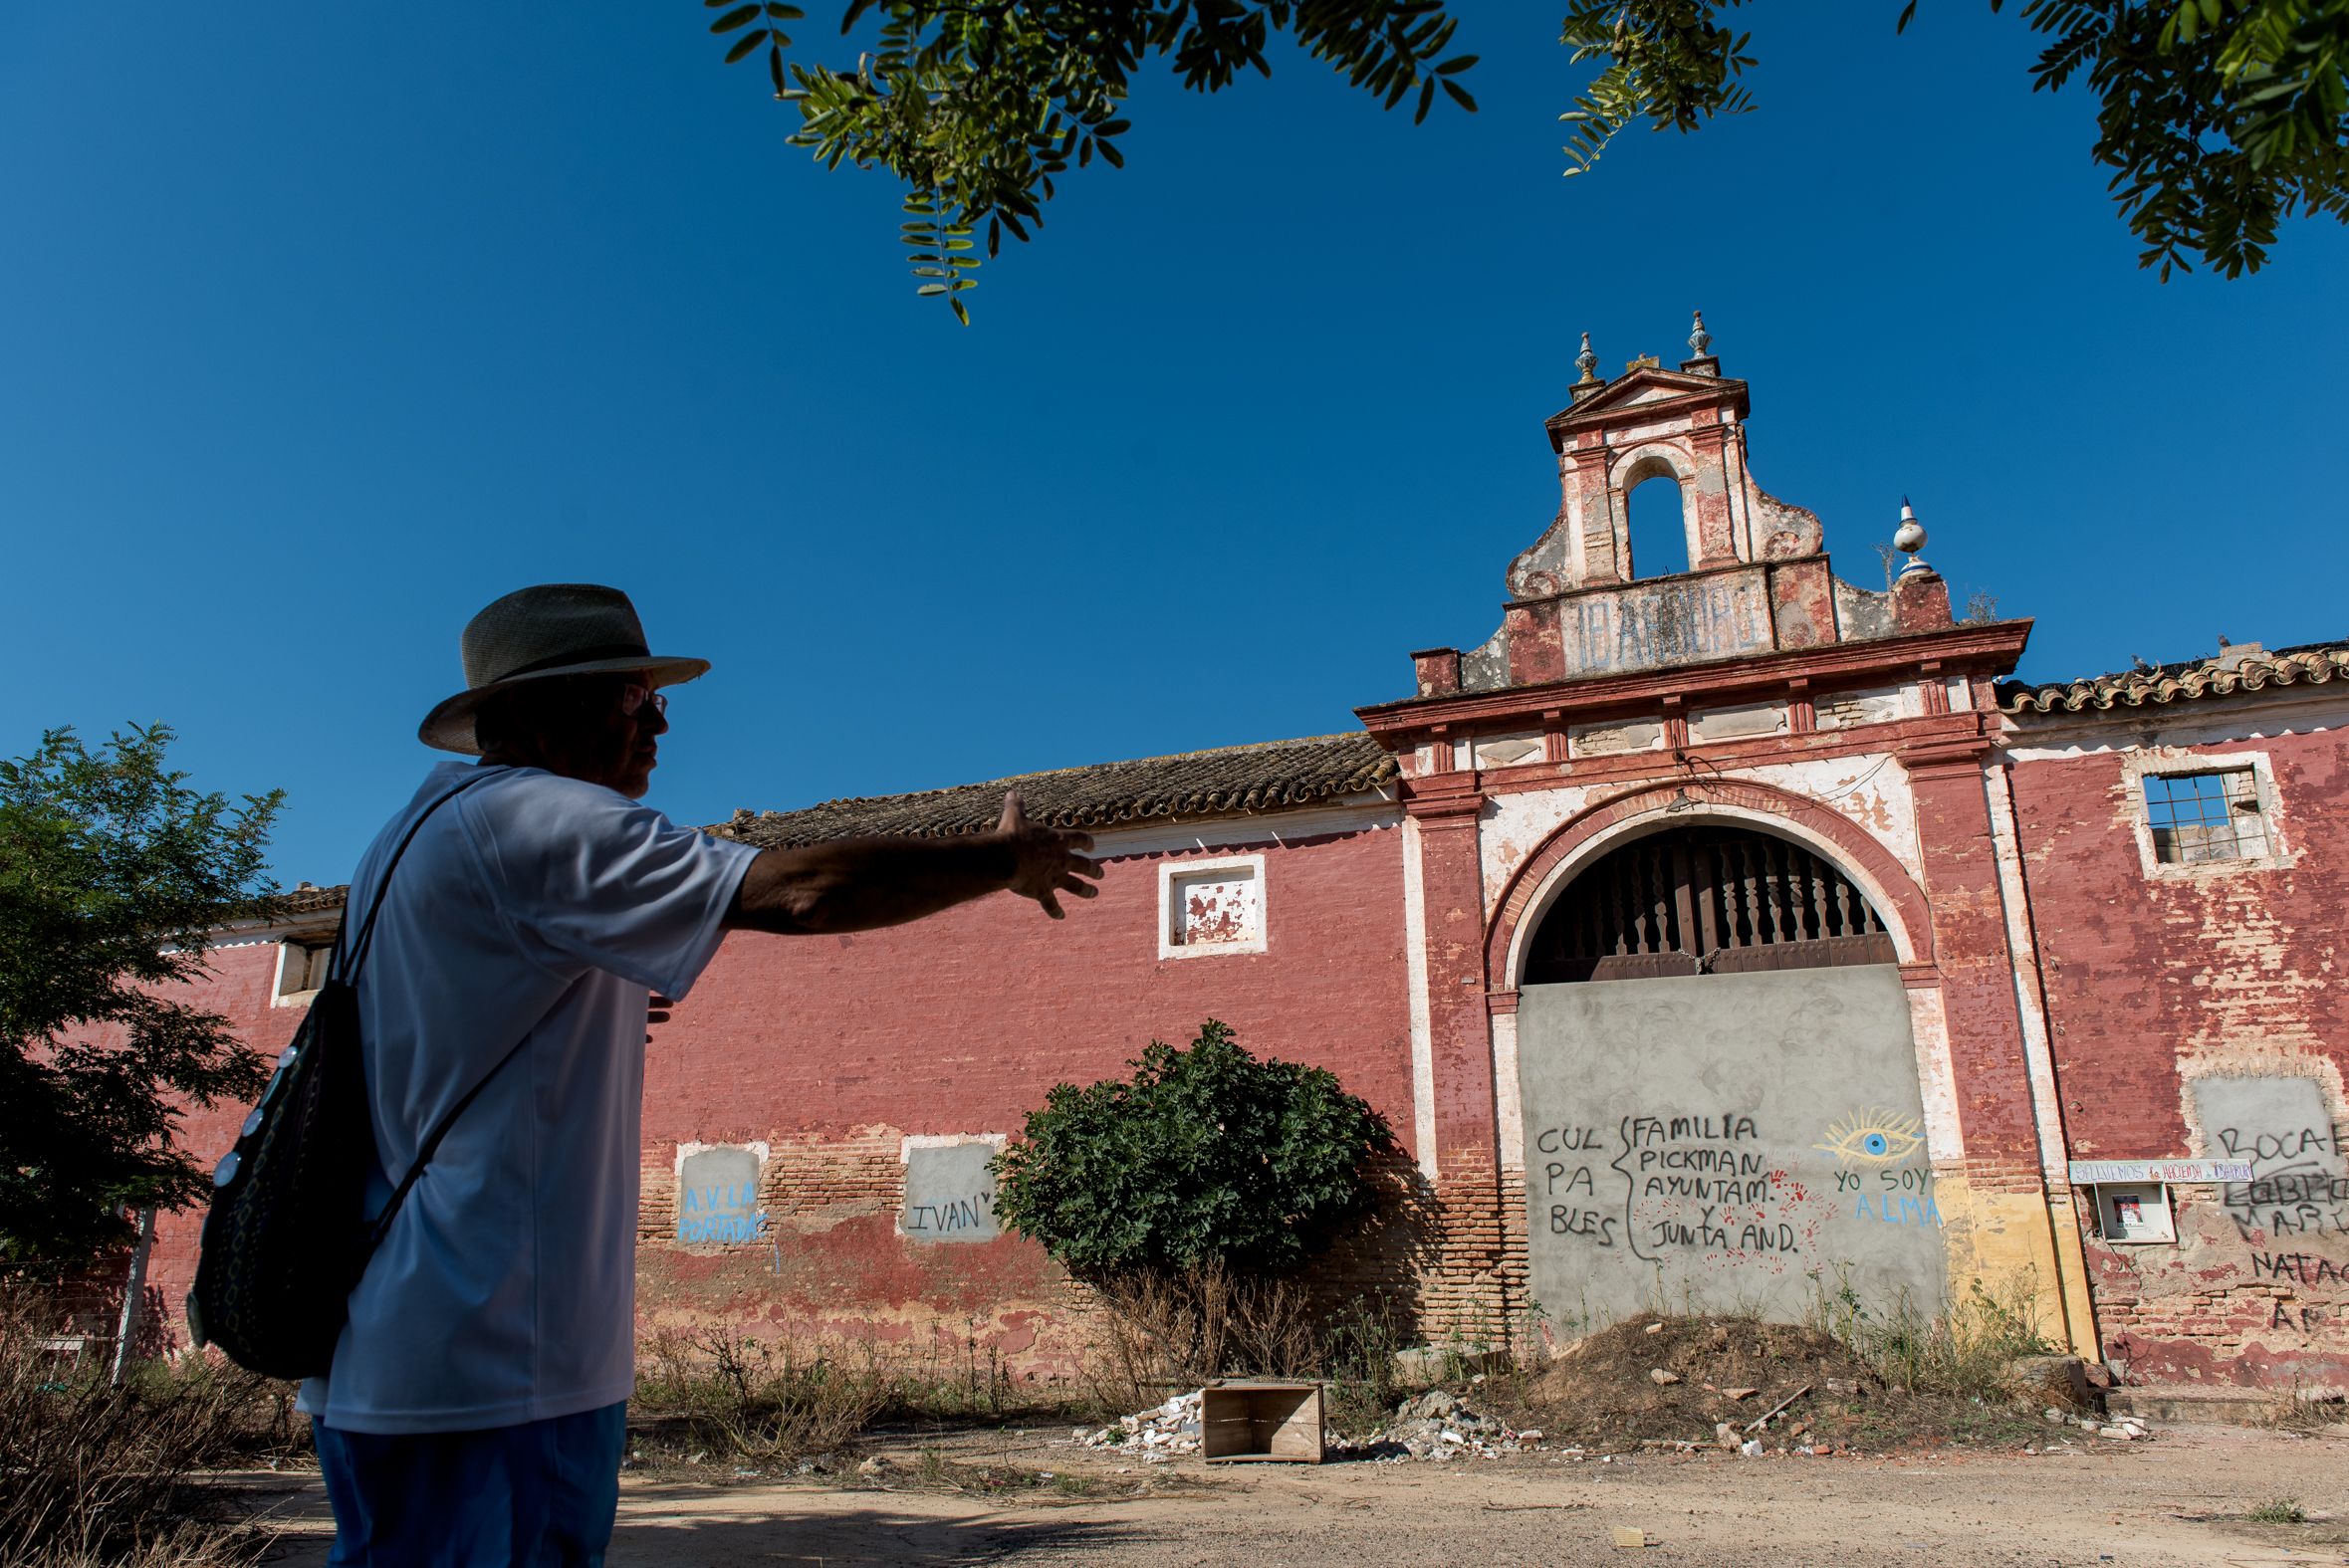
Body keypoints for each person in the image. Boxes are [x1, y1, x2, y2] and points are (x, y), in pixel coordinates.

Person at [301, 583, 1099, 1566]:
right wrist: (998, 861)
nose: (661, 719)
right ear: (535, 713)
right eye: (635, 696)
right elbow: (799, 889)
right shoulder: (537, 817)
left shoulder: (410, 837)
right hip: (491, 1360)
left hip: (413, 1350)